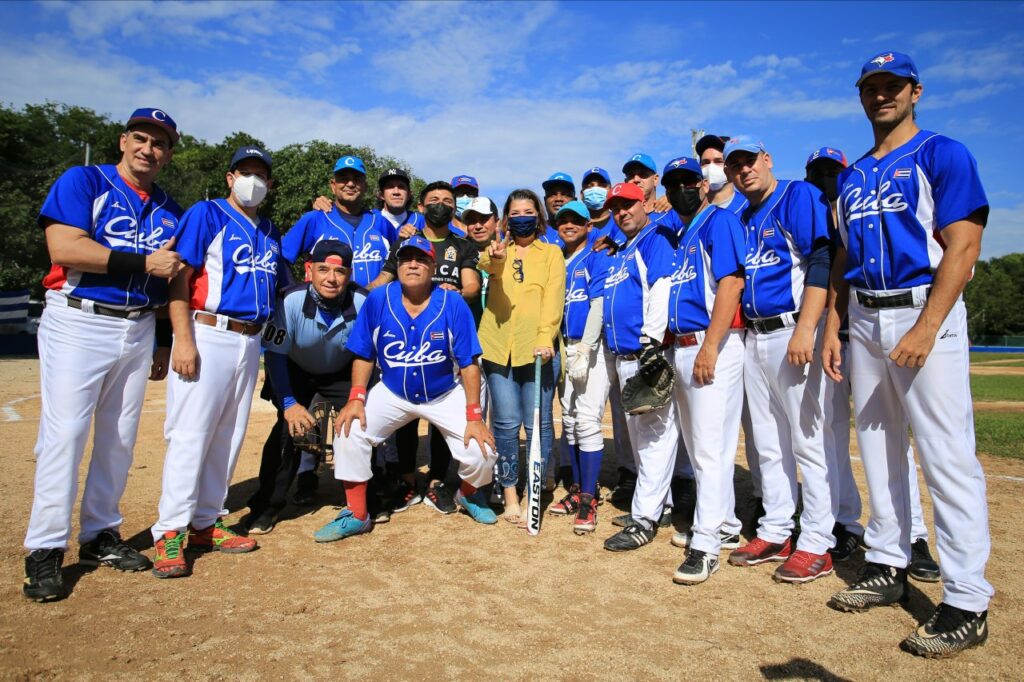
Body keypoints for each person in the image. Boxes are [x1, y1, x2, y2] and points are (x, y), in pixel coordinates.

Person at [824, 51, 991, 657]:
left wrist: (927, 326)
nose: (882, 95)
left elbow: (963, 246)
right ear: (860, 96)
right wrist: (835, 326)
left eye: (893, 85)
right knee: (877, 447)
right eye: (871, 86)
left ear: (915, 91)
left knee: (946, 454)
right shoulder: (851, 177)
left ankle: (968, 599)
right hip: (867, 315)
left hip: (922, 308)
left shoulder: (942, 153)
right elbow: (843, 259)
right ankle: (887, 564)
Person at [22, 107, 183, 602]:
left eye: (159, 143)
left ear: (168, 154)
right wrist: (144, 261)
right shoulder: (85, 181)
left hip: (138, 326)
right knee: (66, 434)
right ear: (122, 141)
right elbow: (64, 248)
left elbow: (170, 278)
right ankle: (46, 548)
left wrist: (161, 339)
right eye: (141, 138)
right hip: (79, 318)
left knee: (118, 438)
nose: (148, 149)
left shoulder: (170, 208)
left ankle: (99, 534)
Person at [806, 145, 941, 576]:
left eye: (832, 171)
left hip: (874, 329)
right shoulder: (817, 219)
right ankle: (846, 521)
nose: (825, 179)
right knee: (832, 435)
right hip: (836, 339)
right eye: (817, 173)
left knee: (894, 437)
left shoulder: (864, 209)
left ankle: (913, 535)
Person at [150, 146, 282, 579]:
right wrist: (182, 340)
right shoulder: (206, 214)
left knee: (229, 435)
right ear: (230, 177)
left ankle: (206, 521)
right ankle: (170, 529)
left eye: (260, 174)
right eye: (245, 171)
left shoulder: (269, 230)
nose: (252, 180)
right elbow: (180, 278)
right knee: (191, 434)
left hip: (250, 339)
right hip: (207, 330)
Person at [315, 235, 498, 541]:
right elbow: (364, 353)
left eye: (421, 259)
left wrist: (474, 415)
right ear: (397, 265)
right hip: (393, 391)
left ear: (433, 267)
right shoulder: (378, 299)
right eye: (406, 259)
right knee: (349, 430)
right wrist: (356, 397)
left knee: (483, 450)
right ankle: (357, 514)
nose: (412, 264)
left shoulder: (452, 302)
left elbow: (469, 362)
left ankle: (467, 494)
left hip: (443, 392)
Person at [722, 139, 837, 584]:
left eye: (750, 161)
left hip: (793, 329)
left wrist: (808, 328)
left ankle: (818, 541)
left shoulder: (796, 195)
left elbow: (821, 259)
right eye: (735, 165)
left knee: (809, 440)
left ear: (767, 160)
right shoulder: (743, 216)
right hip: (756, 335)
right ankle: (776, 530)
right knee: (768, 442)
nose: (744, 170)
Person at [656, 157, 746, 585]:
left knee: (709, 450)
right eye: (672, 184)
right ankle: (724, 523)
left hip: (712, 345)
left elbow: (731, 283)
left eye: (688, 181)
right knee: (702, 448)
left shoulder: (719, 222)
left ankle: (706, 544)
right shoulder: (683, 232)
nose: (681, 190)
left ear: (703, 184)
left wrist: (711, 345)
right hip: (685, 346)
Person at [370, 182, 481, 516]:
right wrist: (354, 292)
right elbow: (383, 279)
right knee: (404, 411)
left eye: (447, 201)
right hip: (405, 337)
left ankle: (436, 481)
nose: (440, 205)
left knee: (441, 412)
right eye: (433, 200)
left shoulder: (462, 244)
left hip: (445, 337)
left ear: (454, 208)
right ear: (420, 206)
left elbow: (472, 285)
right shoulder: (406, 240)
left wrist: (456, 291)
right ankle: (406, 481)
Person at [245, 240, 367, 534]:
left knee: (363, 423)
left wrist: (357, 398)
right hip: (296, 370)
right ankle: (267, 506)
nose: (331, 278)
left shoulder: (363, 302)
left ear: (349, 275)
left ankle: (370, 497)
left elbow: (367, 356)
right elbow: (275, 355)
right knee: (288, 431)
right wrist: (289, 404)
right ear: (309, 270)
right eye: (323, 269)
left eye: (339, 271)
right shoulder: (290, 300)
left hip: (342, 372)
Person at [592, 183, 678, 551]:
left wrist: (651, 343)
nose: (622, 212)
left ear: (644, 203)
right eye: (616, 208)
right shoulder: (624, 249)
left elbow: (661, 287)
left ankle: (644, 520)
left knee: (654, 438)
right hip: (624, 356)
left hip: (645, 354)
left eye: (628, 204)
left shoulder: (653, 239)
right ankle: (662, 505)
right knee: (643, 442)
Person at [477, 189, 565, 524]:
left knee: (538, 424)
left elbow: (554, 298)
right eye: (515, 213)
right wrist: (497, 256)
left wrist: (545, 337)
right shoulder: (497, 251)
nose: (522, 217)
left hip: (538, 350)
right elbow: (488, 266)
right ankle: (510, 490)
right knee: (505, 423)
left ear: (538, 216)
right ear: (506, 219)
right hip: (498, 348)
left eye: (528, 211)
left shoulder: (551, 253)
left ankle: (534, 489)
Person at [696, 134, 762, 524]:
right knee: (715, 434)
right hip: (726, 334)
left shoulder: (746, 206)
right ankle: (721, 513)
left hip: (752, 330)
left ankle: (764, 502)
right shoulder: (700, 215)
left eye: (718, 160)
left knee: (759, 429)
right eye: (705, 161)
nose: (712, 167)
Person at [548, 200, 607, 533]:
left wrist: (586, 347)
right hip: (564, 347)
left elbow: (598, 303)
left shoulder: (597, 255)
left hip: (590, 348)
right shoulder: (557, 257)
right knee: (569, 420)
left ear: (588, 225)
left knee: (586, 421)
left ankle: (589, 498)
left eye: (576, 220)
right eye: (563, 220)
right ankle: (577, 488)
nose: (568, 225)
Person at [283, 155, 396, 289]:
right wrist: (291, 291)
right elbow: (282, 257)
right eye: (343, 179)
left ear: (365, 186)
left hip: (376, 301)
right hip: (329, 302)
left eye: (357, 179)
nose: (350, 184)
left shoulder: (380, 222)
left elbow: (399, 260)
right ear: (333, 185)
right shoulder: (315, 219)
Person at [538, 171, 576, 248]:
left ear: (574, 201)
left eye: (565, 194)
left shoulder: (586, 233)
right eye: (552, 194)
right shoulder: (534, 232)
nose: (558, 199)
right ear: (545, 200)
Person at [622, 153, 662, 217]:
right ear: (626, 182)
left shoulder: (673, 213)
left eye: (643, 174)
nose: (636, 179)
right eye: (631, 175)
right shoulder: (619, 218)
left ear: (655, 179)